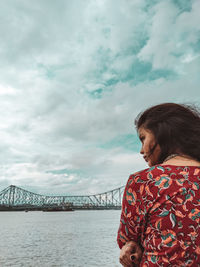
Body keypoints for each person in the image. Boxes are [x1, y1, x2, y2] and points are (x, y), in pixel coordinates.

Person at [117, 103, 200, 266]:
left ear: (161, 134)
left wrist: (130, 247)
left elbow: (127, 241)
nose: (141, 150)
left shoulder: (143, 181)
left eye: (143, 139)